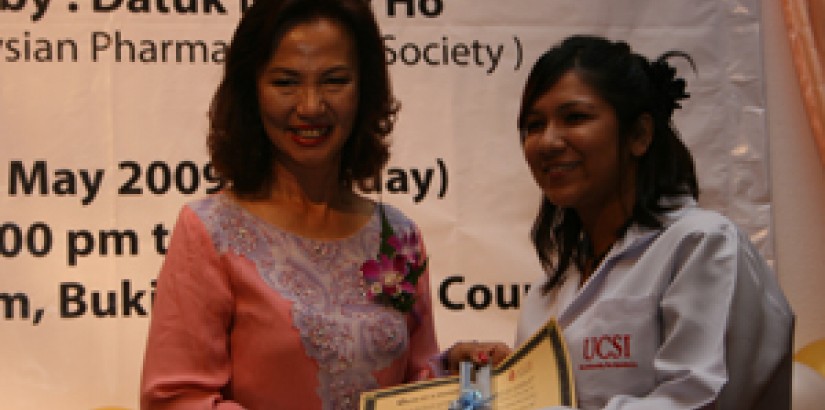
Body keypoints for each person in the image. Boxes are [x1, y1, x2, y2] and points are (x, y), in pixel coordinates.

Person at [447, 35, 794, 409]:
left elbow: (700, 400)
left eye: (575, 117)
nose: (547, 141)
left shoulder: (703, 245)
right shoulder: (549, 290)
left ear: (640, 135)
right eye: (533, 125)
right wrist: (491, 385)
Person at [139, 1, 439, 409]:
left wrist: (455, 372)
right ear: (252, 91)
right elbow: (176, 398)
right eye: (286, 82)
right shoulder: (210, 231)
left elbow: (416, 384)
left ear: (364, 90)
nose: (311, 106)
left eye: (334, 81)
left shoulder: (398, 235)